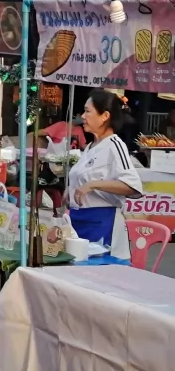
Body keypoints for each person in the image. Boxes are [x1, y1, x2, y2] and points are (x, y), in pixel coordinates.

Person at [66, 89, 143, 260]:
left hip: (102, 224)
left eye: (87, 111)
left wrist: (92, 185)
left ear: (105, 116)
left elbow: (132, 186)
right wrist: (70, 190)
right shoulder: (90, 147)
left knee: (96, 271)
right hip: (79, 221)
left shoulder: (115, 145)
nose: (83, 116)